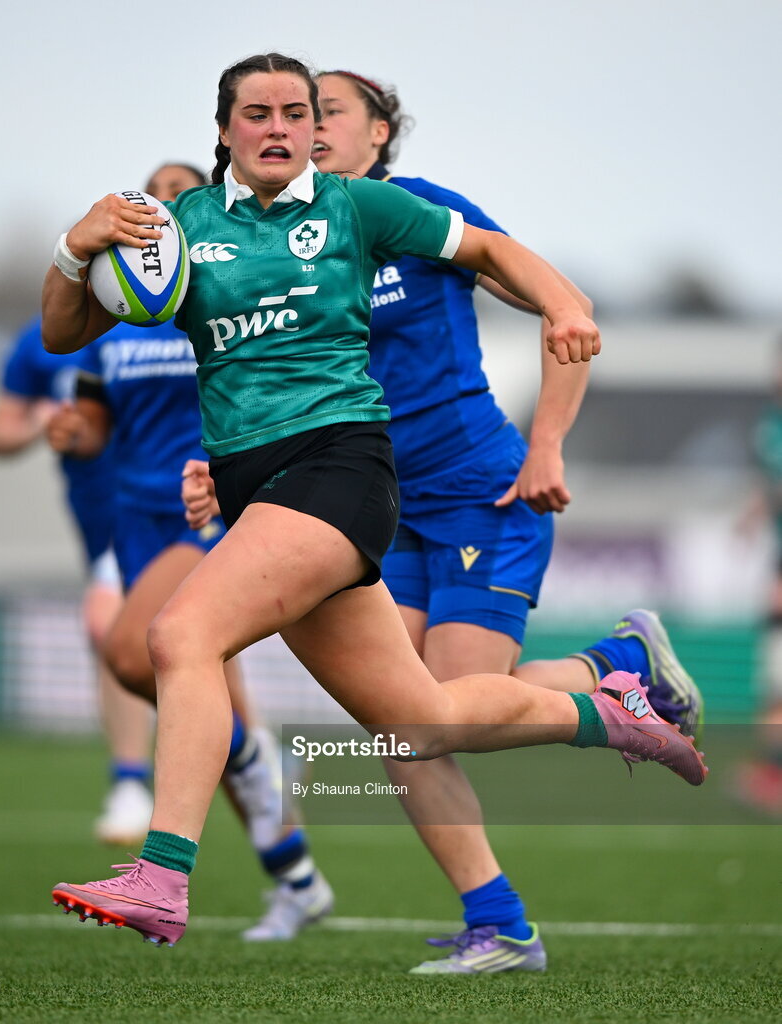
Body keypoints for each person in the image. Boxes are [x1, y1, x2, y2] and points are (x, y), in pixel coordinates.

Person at [41, 52, 706, 952]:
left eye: (297, 110)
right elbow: (62, 329)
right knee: (417, 721)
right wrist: (73, 249)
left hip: (345, 475)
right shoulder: (184, 228)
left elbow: (490, 250)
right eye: (258, 113)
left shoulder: (359, 206)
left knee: (178, 635)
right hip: (261, 488)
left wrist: (563, 306)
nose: (282, 127)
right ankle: (605, 708)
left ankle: (162, 876)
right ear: (225, 130)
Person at [294, 69, 703, 972]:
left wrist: (548, 443)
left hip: (485, 491)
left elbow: (570, 313)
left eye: (330, 114)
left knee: (436, 720)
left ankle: (618, 676)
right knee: (400, 724)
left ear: (379, 135)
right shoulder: (293, 244)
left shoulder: (426, 214)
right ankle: (504, 919)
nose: (310, 128)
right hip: (381, 509)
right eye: (296, 114)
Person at [46, 161, 334, 939]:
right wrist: (76, 436)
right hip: (132, 519)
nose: (163, 208)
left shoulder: (220, 286)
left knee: (134, 654)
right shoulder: (115, 312)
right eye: (152, 195)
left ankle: (246, 758)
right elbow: (97, 417)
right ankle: (298, 879)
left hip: (201, 509)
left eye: (180, 193)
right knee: (203, 712)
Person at [0, 321, 153, 846]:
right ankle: (253, 753)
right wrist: (42, 424)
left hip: (165, 505)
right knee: (169, 637)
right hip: (98, 513)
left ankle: (131, 782)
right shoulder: (39, 342)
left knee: (112, 625)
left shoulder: (175, 320)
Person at [736, 341, 782, 815]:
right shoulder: (771, 423)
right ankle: (771, 773)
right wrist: (753, 513)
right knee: (774, 682)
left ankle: (771, 774)